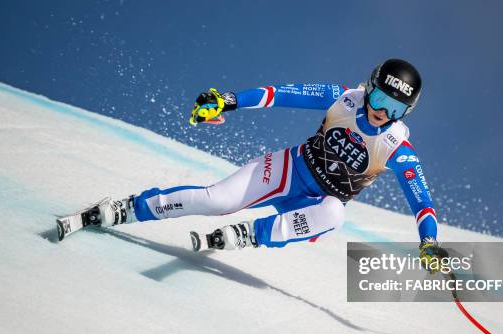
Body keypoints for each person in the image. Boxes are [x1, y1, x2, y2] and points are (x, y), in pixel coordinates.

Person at [89, 58, 448, 270]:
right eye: (382, 97)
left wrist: (428, 243)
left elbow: (422, 203)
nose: (382, 111)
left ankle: (252, 235)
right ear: (369, 87)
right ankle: (128, 209)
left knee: (335, 213)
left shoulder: (398, 147)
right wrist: (227, 101)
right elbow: (278, 94)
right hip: (289, 170)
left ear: (406, 113)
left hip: (312, 205)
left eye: (396, 108)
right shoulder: (343, 99)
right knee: (217, 201)